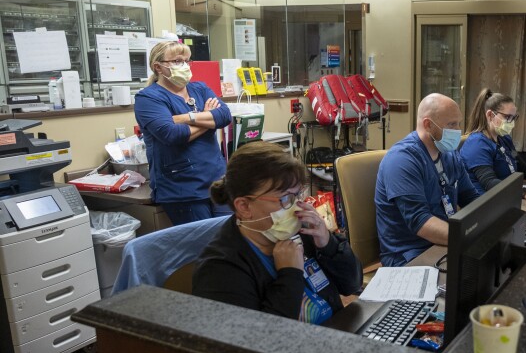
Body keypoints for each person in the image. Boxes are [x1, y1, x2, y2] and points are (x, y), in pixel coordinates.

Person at [193, 141, 362, 322]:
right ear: (244, 206)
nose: (296, 206)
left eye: (297, 194)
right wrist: (289, 274)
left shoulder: (300, 231)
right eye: (285, 198)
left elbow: (352, 285)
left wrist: (328, 243)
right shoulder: (219, 270)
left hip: (335, 332)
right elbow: (258, 340)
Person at [375, 93, 481, 267]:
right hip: (410, 256)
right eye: (452, 124)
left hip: (443, 243)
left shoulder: (450, 155)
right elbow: (420, 222)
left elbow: (470, 198)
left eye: (459, 123)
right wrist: (469, 235)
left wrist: (492, 224)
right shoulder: (402, 160)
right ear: (428, 125)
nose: (458, 130)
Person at [134, 41, 232, 225]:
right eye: (178, 61)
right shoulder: (148, 98)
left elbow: (225, 116)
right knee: (204, 248)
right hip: (183, 188)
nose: (185, 66)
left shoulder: (200, 89)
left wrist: (185, 117)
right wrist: (208, 119)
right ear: (158, 67)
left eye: (187, 61)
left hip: (217, 181)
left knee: (229, 241)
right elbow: (172, 134)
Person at [460, 88, 526, 202]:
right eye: (508, 117)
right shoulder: (476, 144)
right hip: (487, 204)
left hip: (508, 195)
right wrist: (524, 192)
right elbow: (490, 183)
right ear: (490, 115)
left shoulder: (504, 139)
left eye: (514, 118)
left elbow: (522, 167)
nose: (512, 122)